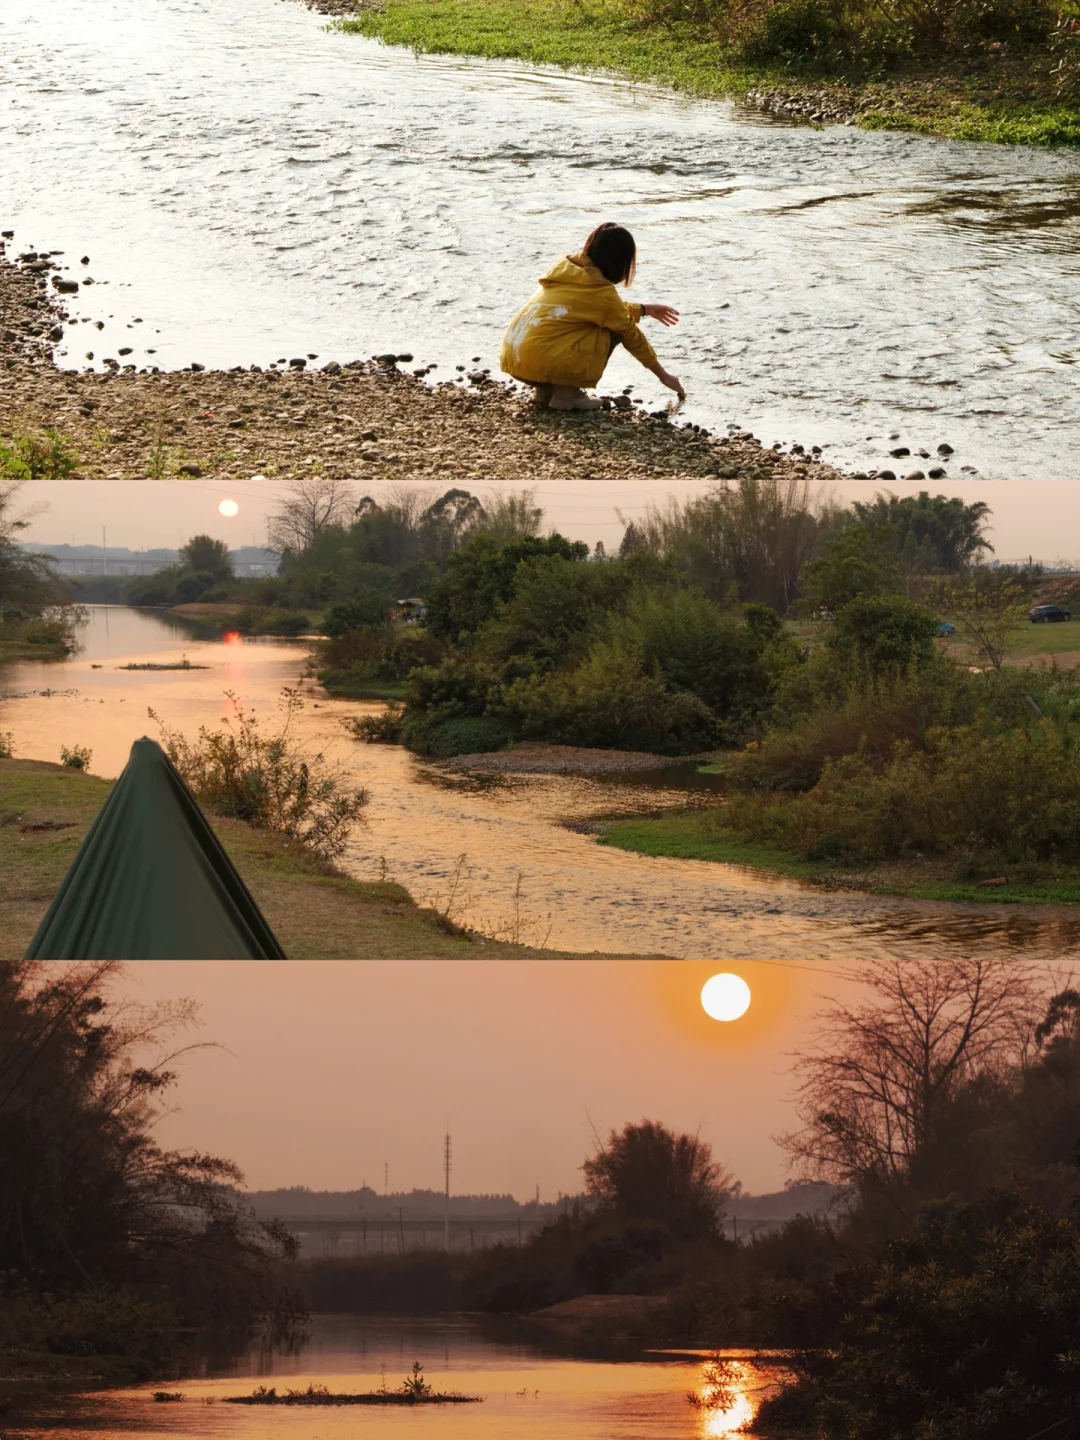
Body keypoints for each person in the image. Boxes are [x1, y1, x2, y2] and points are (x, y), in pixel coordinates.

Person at [500, 222, 685, 412]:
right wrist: (662, 375)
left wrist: (644, 309)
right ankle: (567, 395)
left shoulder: (569, 273)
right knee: (613, 331)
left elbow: (599, 309)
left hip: (514, 359)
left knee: (564, 329)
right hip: (542, 361)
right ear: (620, 261)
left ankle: (545, 392)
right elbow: (630, 334)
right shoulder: (601, 293)